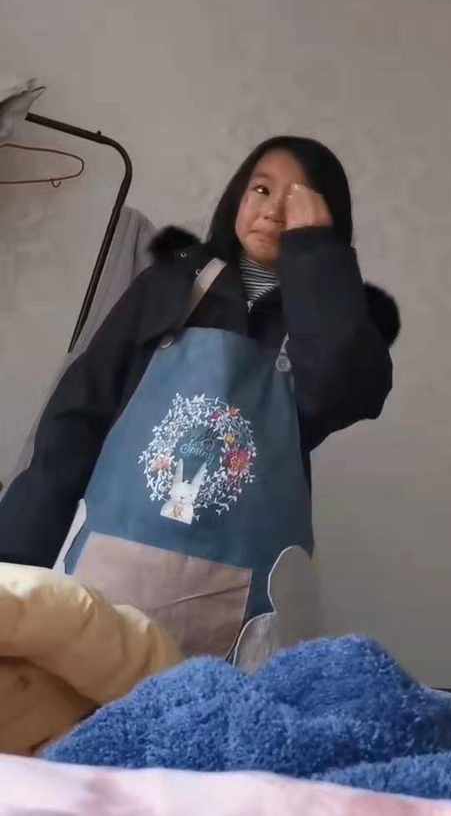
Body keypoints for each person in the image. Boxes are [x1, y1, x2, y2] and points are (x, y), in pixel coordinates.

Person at [0, 136, 399, 657]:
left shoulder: (329, 320)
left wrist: (316, 256)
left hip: (243, 601)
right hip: (107, 569)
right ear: (238, 195)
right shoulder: (171, 281)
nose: (274, 210)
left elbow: (342, 393)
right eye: (262, 189)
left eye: (298, 198)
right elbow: (77, 417)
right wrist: (15, 561)